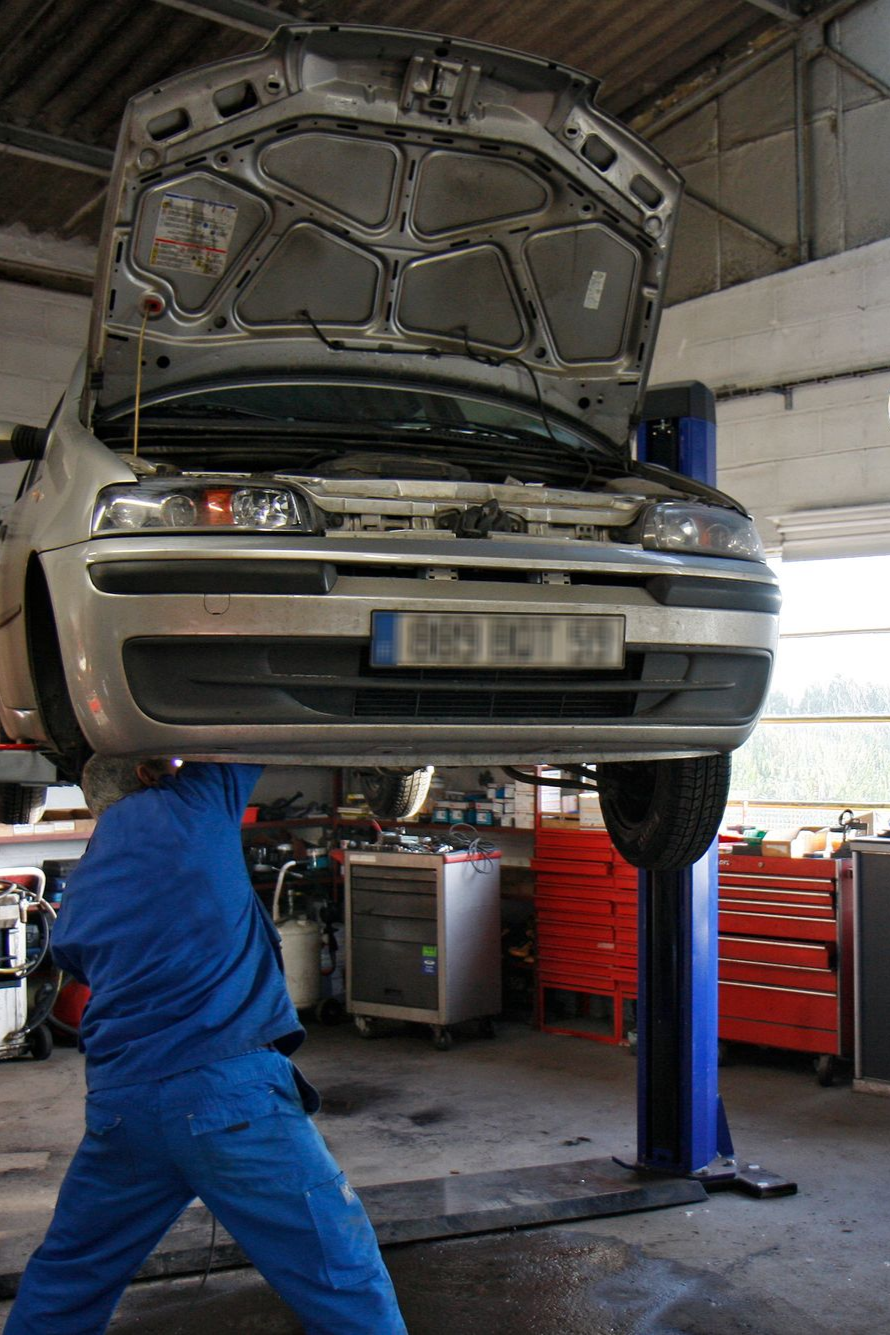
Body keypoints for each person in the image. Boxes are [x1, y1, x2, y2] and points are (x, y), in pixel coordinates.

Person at [5, 758, 408, 1335]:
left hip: (124, 1106)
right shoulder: (193, 806)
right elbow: (233, 730)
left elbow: (73, 956)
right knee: (340, 1271)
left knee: (72, 1274)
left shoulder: (89, 879)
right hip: (229, 1099)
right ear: (150, 774)